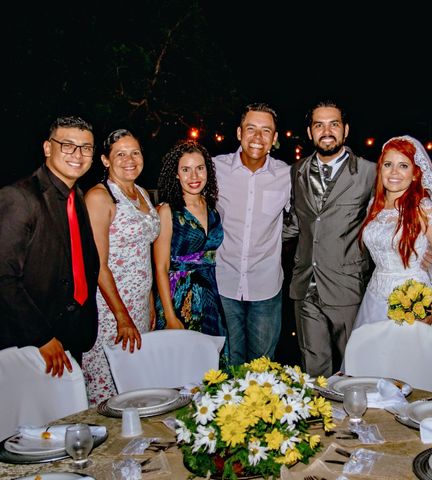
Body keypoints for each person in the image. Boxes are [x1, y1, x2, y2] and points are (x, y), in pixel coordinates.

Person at [348, 135, 432, 399]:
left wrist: (430, 311)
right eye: (388, 164)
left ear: (416, 173)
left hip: (414, 301)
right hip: (375, 298)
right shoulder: (375, 206)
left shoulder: (423, 207)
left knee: (415, 382)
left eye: (403, 166)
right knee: (373, 376)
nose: (394, 172)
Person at [0, 115, 100, 377]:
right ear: (48, 148)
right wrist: (41, 337)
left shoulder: (76, 195)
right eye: (67, 145)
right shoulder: (19, 197)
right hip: (31, 343)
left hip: (72, 333)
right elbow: (4, 278)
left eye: (86, 148)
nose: (78, 154)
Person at [284, 99, 377, 378]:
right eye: (319, 125)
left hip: (347, 287)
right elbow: (296, 223)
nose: (327, 131)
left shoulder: (370, 172)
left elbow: (395, 215)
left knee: (356, 371)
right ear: (310, 132)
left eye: (333, 124)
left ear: (345, 130)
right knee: (313, 373)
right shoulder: (297, 171)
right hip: (305, 287)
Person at [82, 129, 160, 405]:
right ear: (105, 160)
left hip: (139, 306)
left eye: (135, 152)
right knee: (108, 391)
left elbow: (144, 253)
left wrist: (150, 300)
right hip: (110, 311)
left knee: (136, 386)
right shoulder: (100, 197)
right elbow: (98, 265)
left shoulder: (140, 193)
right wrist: (121, 316)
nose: (130, 159)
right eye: (120, 154)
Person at [213, 103, 290, 365]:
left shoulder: (287, 176)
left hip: (266, 287)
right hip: (223, 283)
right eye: (251, 129)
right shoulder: (214, 169)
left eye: (266, 130)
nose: (257, 137)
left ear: (275, 138)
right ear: (239, 132)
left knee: (262, 370)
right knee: (226, 369)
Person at [154, 140, 228, 353]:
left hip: (210, 298)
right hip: (178, 299)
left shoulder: (212, 207)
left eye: (199, 168)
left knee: (211, 368)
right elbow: (161, 267)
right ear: (176, 174)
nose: (194, 177)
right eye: (185, 170)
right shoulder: (168, 211)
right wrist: (169, 315)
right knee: (178, 367)